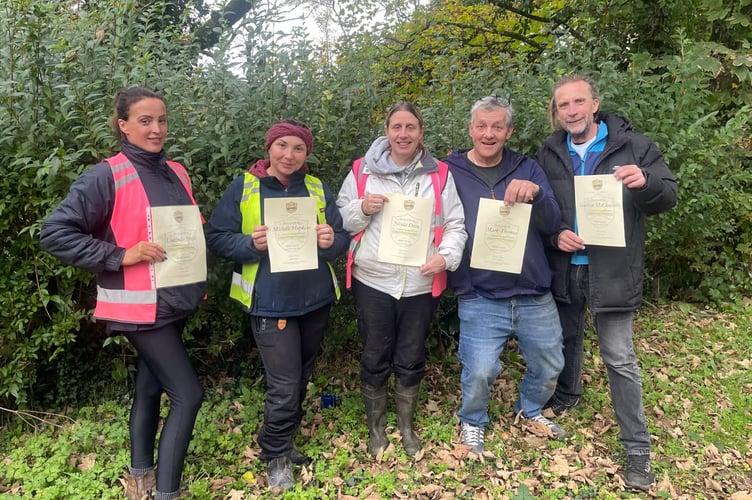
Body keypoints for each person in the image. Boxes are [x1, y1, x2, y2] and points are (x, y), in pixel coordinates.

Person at [40, 86, 206, 500]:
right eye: (146, 121)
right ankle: (167, 494)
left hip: (175, 299)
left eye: (162, 120)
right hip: (140, 308)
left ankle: (141, 477)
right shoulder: (107, 174)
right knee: (188, 394)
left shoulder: (178, 171)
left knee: (151, 387)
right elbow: (55, 233)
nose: (156, 129)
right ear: (123, 125)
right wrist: (121, 254)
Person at [537, 74, 678, 491]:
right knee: (568, 340)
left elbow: (668, 195)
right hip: (566, 266)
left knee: (619, 358)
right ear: (556, 112)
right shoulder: (549, 152)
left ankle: (637, 448)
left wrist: (646, 182)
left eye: (579, 102)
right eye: (564, 105)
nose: (572, 111)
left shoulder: (633, 147)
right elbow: (541, 211)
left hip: (613, 269)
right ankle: (567, 395)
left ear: (595, 104)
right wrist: (554, 233)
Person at [206, 120, 349, 491]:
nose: (289, 155)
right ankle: (275, 454)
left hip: (315, 298)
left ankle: (285, 441)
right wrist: (249, 245)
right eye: (282, 146)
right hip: (270, 302)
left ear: (307, 154)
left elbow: (341, 238)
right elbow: (217, 238)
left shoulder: (316, 187)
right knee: (284, 385)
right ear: (269, 147)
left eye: (298, 148)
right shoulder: (246, 186)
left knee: (300, 377)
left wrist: (331, 239)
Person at [337, 102, 467, 458]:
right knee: (375, 352)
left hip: (420, 283)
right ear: (387, 131)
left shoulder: (439, 174)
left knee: (411, 354)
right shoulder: (362, 171)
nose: (403, 134)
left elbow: (455, 224)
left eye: (410, 127)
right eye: (397, 127)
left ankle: (406, 426)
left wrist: (446, 257)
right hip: (374, 280)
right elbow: (342, 220)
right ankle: (377, 429)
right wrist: (362, 208)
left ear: (421, 132)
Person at [444, 96, 565, 455]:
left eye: (497, 126)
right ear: (470, 129)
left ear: (509, 131)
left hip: (532, 291)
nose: (488, 133)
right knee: (480, 370)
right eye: (481, 126)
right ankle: (472, 419)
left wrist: (538, 195)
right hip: (480, 294)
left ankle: (529, 409)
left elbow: (552, 222)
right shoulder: (449, 170)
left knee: (551, 362)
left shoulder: (527, 168)